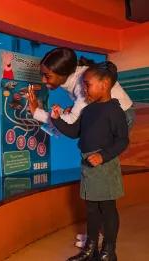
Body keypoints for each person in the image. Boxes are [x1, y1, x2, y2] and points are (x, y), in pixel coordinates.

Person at [50, 61, 129, 261]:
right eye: (84, 85)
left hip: (104, 163)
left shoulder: (114, 110)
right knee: (92, 209)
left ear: (104, 85)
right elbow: (75, 132)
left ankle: (109, 251)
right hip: (88, 164)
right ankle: (91, 249)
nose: (84, 89)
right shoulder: (88, 110)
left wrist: (103, 156)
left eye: (88, 85)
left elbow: (122, 140)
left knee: (107, 207)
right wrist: (57, 119)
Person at [27, 47, 135, 129]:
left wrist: (36, 112)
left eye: (47, 76)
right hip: (118, 113)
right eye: (42, 74)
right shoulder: (76, 78)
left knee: (91, 149)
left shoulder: (82, 84)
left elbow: (70, 122)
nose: (43, 80)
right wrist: (71, 110)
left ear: (64, 73)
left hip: (123, 115)